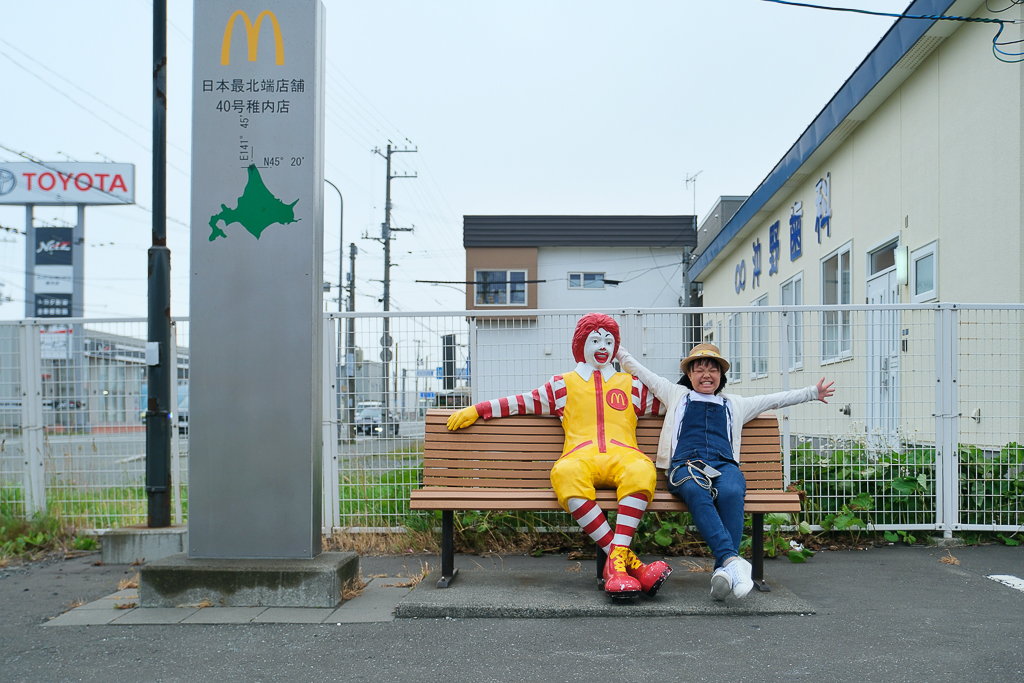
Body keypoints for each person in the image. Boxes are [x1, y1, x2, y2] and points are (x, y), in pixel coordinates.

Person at [446, 313, 673, 599]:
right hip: (580, 456)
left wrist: (714, 403)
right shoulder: (562, 385)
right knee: (565, 474)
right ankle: (631, 564)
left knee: (642, 471)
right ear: (581, 345)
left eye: (608, 340)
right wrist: (479, 409)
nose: (602, 346)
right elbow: (521, 402)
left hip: (624, 455)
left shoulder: (633, 386)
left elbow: (674, 406)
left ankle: (615, 567)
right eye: (595, 340)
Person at [615, 343, 834, 601]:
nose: (706, 374)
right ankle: (732, 560)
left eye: (712, 369)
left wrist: (811, 392)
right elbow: (642, 372)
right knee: (697, 491)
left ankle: (723, 573)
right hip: (685, 466)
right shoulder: (676, 394)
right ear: (689, 375)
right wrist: (617, 348)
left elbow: (775, 399)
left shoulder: (735, 404)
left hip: (724, 465)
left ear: (721, 376)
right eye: (699, 369)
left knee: (731, 491)